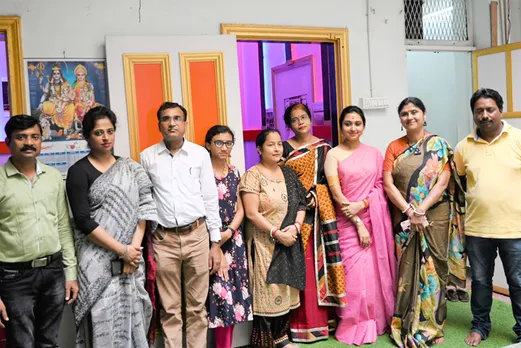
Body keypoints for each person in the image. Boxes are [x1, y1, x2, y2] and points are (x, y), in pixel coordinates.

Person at [66, 106, 157, 347]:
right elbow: (83, 220)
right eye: (98, 133)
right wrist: (122, 250)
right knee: (102, 319)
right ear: (87, 136)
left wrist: (132, 252)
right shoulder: (78, 172)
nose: (106, 137)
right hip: (96, 260)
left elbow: (144, 209)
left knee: (134, 315)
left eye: (110, 131)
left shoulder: (131, 168)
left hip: (130, 259)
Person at [383, 97, 466, 346]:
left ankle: (433, 326)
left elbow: (442, 182)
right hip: (403, 215)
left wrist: (421, 209)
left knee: (434, 267)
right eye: (405, 114)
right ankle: (407, 321)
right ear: (400, 119)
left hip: (435, 214)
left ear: (424, 114)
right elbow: (388, 183)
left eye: (414, 112)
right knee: (406, 267)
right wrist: (410, 211)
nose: (410, 117)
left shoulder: (439, 144)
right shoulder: (393, 147)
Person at [140, 102, 222, 348]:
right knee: (170, 308)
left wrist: (215, 243)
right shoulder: (147, 157)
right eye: (166, 118)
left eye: (177, 118)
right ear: (159, 125)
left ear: (186, 123)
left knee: (197, 307)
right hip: (164, 240)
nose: (172, 123)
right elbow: (145, 202)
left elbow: (209, 199)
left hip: (197, 236)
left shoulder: (199, 155)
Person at [0, 115, 78, 347]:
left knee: (48, 342)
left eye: (35, 137)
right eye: (21, 137)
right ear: (8, 141)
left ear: (41, 141)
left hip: (53, 272)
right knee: (21, 343)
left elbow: (63, 226)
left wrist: (70, 273)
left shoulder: (53, 177)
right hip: (14, 277)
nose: (29, 143)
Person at [323, 106, 396, 345]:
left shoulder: (375, 153)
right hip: (347, 223)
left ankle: (376, 320)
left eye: (357, 123)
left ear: (363, 126)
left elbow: (379, 187)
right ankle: (352, 323)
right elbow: (336, 193)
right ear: (341, 126)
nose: (353, 128)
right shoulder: (333, 154)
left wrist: (363, 205)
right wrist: (356, 222)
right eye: (348, 123)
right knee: (353, 276)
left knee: (374, 273)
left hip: (373, 219)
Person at [456, 89, 521, 347]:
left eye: (490, 109)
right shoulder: (463, 147)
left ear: (500, 110)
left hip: (515, 228)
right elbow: (460, 183)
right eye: (479, 111)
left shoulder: (517, 138)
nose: (485, 115)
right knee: (481, 281)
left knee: (518, 282)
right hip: (478, 228)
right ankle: (480, 327)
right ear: (473, 114)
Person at [280, 103, 347, 342]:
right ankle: (298, 325)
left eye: (304, 117)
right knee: (301, 267)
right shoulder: (284, 148)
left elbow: (329, 181)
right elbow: (280, 179)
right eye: (295, 119)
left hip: (320, 214)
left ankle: (323, 322)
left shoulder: (324, 148)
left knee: (319, 263)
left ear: (310, 119)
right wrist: (300, 198)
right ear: (289, 124)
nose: (300, 122)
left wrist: (315, 196)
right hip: (293, 214)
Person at [239, 129, 306, 348]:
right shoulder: (253, 175)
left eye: (279, 144)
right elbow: (251, 213)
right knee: (268, 292)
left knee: (285, 289)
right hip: (264, 244)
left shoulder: (288, 174)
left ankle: (281, 338)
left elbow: (302, 204)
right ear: (259, 149)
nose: (277, 148)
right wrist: (277, 233)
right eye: (271, 145)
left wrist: (296, 227)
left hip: (289, 241)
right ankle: (265, 342)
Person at [205, 125, 253, 348]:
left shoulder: (235, 171)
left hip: (234, 240)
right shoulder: (202, 174)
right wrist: (217, 238)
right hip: (210, 240)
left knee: (234, 297)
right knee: (219, 296)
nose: (224, 147)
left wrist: (230, 232)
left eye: (228, 143)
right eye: (218, 143)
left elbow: (241, 208)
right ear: (208, 145)